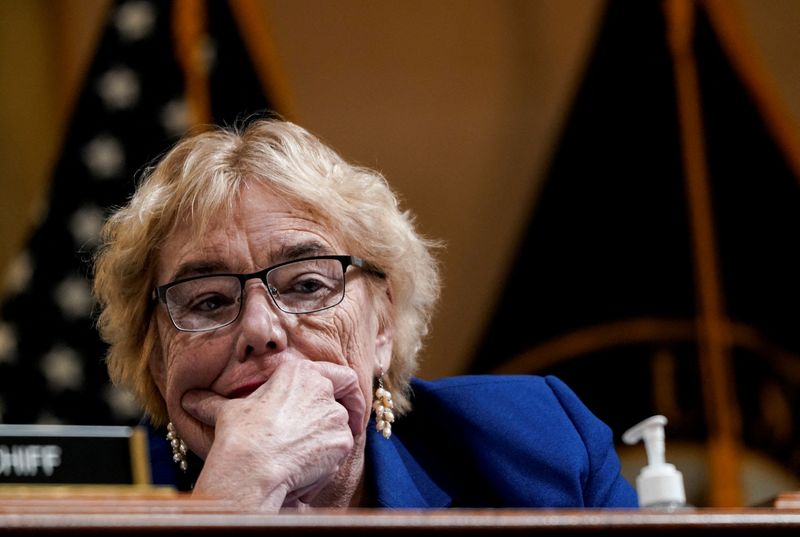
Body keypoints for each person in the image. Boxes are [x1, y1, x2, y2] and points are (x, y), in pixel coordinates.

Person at [92, 118, 638, 511]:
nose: (260, 329)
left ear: (382, 326)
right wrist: (239, 490)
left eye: (307, 284)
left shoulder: (543, 447)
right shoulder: (82, 503)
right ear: (157, 361)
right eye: (209, 301)